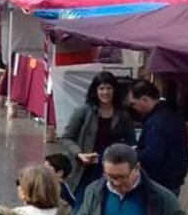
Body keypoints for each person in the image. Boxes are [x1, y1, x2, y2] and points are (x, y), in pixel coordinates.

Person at [59, 71, 137, 202]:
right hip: (85, 170)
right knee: (80, 205)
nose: (105, 92)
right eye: (101, 88)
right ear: (95, 91)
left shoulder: (123, 115)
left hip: (112, 170)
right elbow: (66, 138)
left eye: (109, 88)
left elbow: (132, 143)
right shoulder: (83, 111)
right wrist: (79, 154)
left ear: (114, 90)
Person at [130, 81, 188, 195]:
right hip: (172, 180)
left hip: (160, 182)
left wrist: (133, 152)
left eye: (134, 104)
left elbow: (153, 156)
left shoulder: (156, 122)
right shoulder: (173, 113)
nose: (134, 108)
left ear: (144, 100)